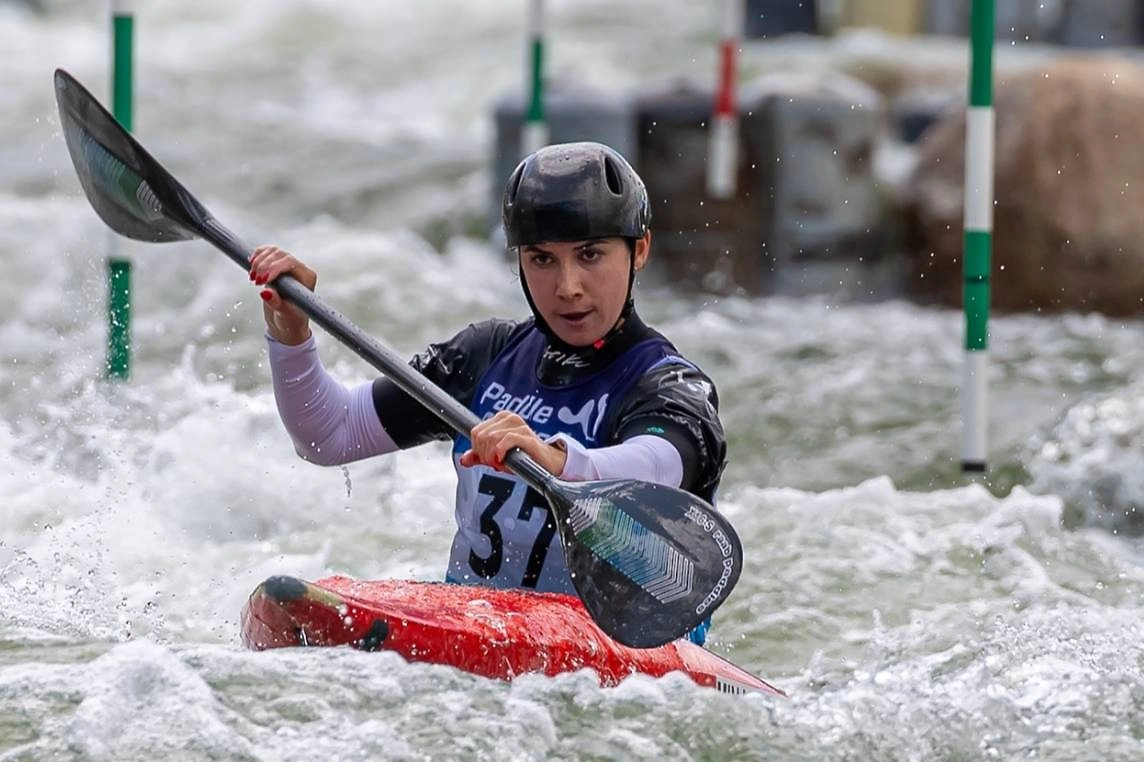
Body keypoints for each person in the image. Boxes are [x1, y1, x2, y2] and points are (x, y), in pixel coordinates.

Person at [248, 141, 727, 645]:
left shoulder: (670, 385)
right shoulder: (485, 357)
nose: (568, 286)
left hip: (620, 654)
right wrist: (290, 334)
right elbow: (331, 434)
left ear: (640, 250)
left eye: (590, 255)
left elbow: (658, 466)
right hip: (478, 629)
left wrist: (555, 459)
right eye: (542, 259)